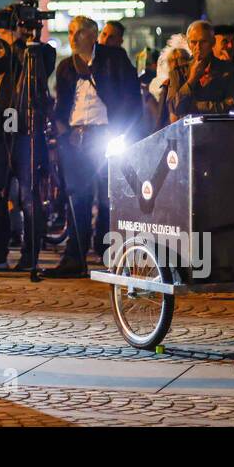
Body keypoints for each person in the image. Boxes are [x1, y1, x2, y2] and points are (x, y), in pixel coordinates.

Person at [49, 15, 142, 277]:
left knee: (108, 197)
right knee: (77, 197)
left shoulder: (115, 59)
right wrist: (63, 132)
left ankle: (110, 253)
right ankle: (75, 258)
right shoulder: (66, 67)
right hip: (77, 137)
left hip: (107, 134)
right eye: (69, 32)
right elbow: (61, 105)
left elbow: (131, 99)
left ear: (91, 35)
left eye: (76, 32)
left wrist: (123, 132)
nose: (72, 37)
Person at [0, 7, 57, 272]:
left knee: (29, 196)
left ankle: (29, 255)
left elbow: (38, 70)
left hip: (27, 131)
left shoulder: (42, 51)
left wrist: (18, 40)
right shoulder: (0, 49)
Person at [165, 20, 234, 123]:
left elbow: (233, 105)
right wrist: (192, 80)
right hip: (187, 134)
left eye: (203, 42)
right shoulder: (179, 71)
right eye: (193, 42)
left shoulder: (227, 70)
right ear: (188, 44)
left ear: (212, 42)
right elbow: (174, 107)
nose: (198, 47)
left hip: (217, 132)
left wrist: (196, 106)